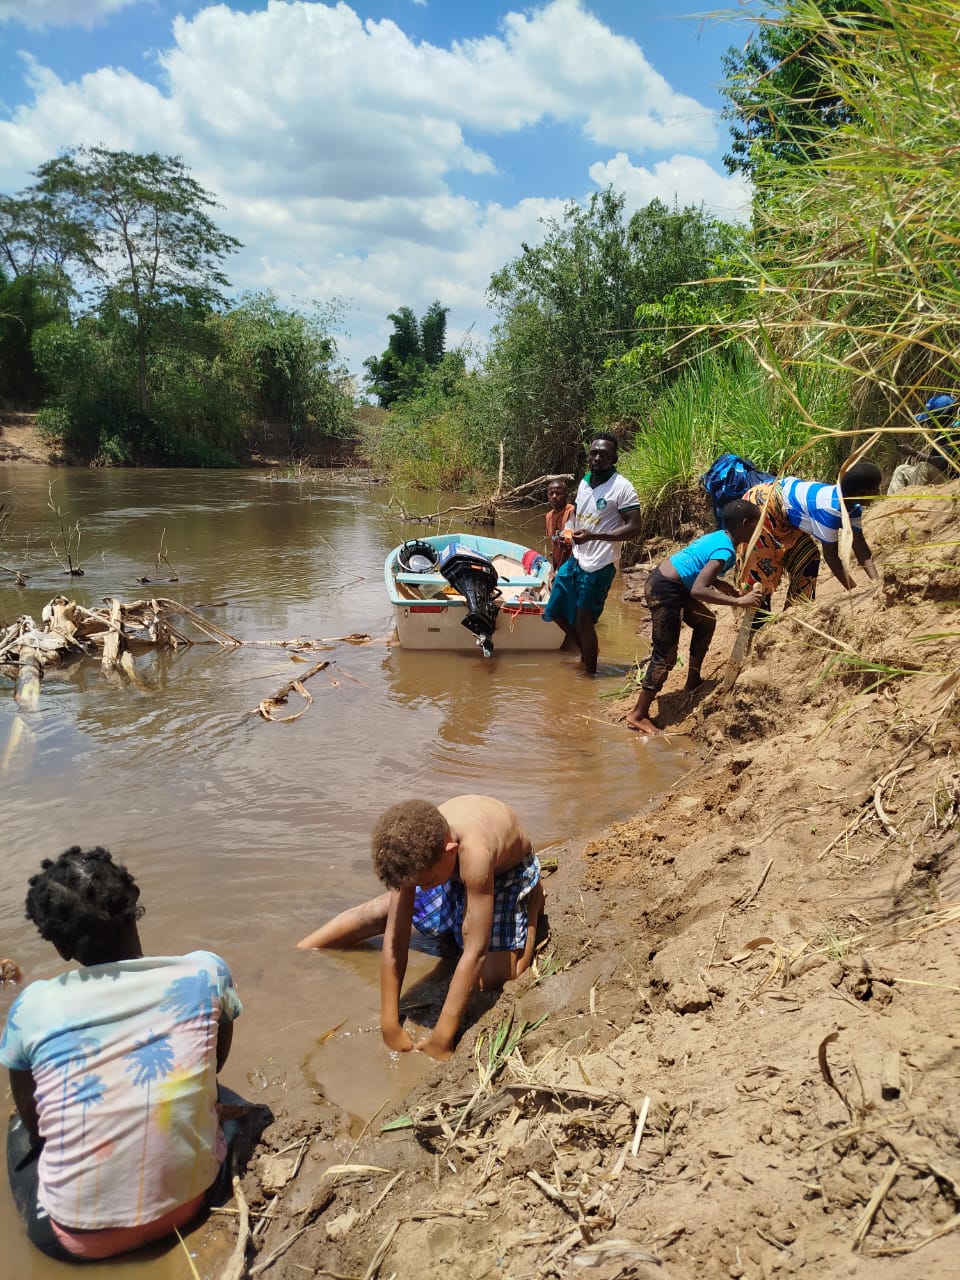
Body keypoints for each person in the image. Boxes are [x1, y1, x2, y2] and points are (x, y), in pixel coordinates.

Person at [0, 846, 242, 1262]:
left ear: (60, 947)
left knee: (17, 1129)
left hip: (76, 1239)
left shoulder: (33, 1006)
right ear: (134, 896)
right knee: (208, 1091)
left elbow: (37, 1126)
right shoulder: (205, 972)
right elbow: (215, 1065)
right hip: (193, 1203)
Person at [297, 796, 544, 1062]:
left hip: (503, 875)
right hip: (446, 870)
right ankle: (300, 947)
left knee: (497, 977)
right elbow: (396, 938)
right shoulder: (413, 851)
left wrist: (442, 1037)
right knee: (385, 912)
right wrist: (389, 1021)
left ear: (450, 850)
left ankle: (532, 907)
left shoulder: (475, 853)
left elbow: (476, 951)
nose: (422, 889)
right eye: (416, 885)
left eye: (426, 883)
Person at [626, 501, 764, 736]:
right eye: (756, 525)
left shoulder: (720, 537)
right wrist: (739, 602)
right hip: (665, 590)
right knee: (665, 656)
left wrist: (723, 586)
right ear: (745, 523)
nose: (758, 530)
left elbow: (698, 567)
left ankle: (693, 679)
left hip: (672, 583)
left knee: (706, 621)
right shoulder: (727, 551)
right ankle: (638, 714)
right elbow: (699, 589)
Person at [543, 434, 643, 674]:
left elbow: (634, 528)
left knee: (583, 619)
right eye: (594, 453)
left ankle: (589, 674)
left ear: (614, 458)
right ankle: (588, 653)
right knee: (555, 611)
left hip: (601, 563)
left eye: (604, 454)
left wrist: (594, 536)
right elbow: (577, 514)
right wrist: (568, 531)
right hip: (577, 559)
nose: (598, 458)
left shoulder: (622, 487)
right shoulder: (585, 481)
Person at [741, 462, 882, 610]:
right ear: (862, 493)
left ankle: (795, 611)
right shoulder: (829, 510)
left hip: (785, 517)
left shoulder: (853, 506)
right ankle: (757, 618)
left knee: (808, 557)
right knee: (761, 573)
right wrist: (855, 592)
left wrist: (877, 583)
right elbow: (831, 558)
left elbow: (859, 544)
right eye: (876, 489)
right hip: (762, 508)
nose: (879, 493)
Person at [888, 393, 960, 494]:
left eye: (930, 420)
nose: (927, 423)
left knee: (923, 467)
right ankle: (893, 501)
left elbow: (944, 463)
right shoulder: (941, 431)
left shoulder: (955, 432)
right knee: (901, 470)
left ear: (943, 417)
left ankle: (911, 500)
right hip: (938, 475)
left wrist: (913, 452)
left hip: (951, 480)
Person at [545, 478, 575, 570]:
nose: (554, 496)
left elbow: (569, 540)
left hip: (572, 566)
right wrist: (552, 569)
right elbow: (554, 545)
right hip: (559, 567)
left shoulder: (572, 512)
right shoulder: (549, 516)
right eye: (551, 494)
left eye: (558, 493)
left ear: (566, 495)